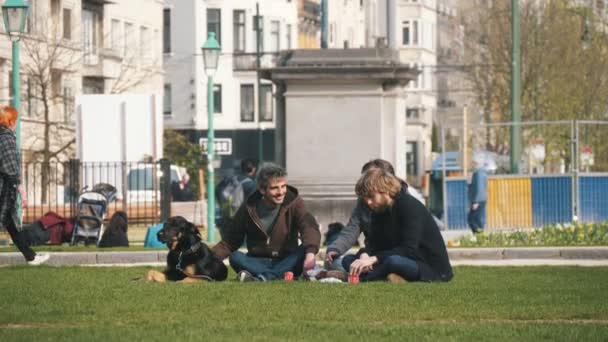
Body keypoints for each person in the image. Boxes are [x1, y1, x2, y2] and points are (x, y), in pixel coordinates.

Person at [211, 163, 321, 282]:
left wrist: (310, 253)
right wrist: (208, 258)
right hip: (257, 261)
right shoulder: (249, 207)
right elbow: (230, 241)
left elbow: (308, 226)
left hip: (286, 259)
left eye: (283, 186)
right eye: (274, 188)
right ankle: (273, 275)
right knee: (235, 257)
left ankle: (262, 277)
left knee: (304, 250)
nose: (281, 192)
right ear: (262, 189)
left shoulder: (294, 202)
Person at [343, 168, 453, 283]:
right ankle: (382, 275)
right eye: (366, 200)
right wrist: (365, 255)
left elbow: (409, 250)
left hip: (426, 266)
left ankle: (361, 277)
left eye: (371, 197)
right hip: (394, 258)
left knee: (393, 262)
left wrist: (373, 259)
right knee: (348, 260)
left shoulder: (408, 206)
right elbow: (374, 244)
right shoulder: (379, 210)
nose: (369, 203)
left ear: (384, 190)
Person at [0, 106, 49, 265]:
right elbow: (10, 168)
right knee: (11, 223)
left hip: (5, 190)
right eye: (15, 120)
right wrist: (21, 191)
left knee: (12, 225)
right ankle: (31, 257)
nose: (16, 123)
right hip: (4, 191)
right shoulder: (6, 138)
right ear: (10, 121)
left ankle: (31, 257)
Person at [467, 157, 488, 233]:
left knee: (471, 219)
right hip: (481, 199)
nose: (472, 164)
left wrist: (476, 201)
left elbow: (479, 188)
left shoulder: (478, 173)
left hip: (478, 200)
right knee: (478, 219)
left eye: (474, 163)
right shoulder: (481, 172)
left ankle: (479, 235)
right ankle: (480, 236)